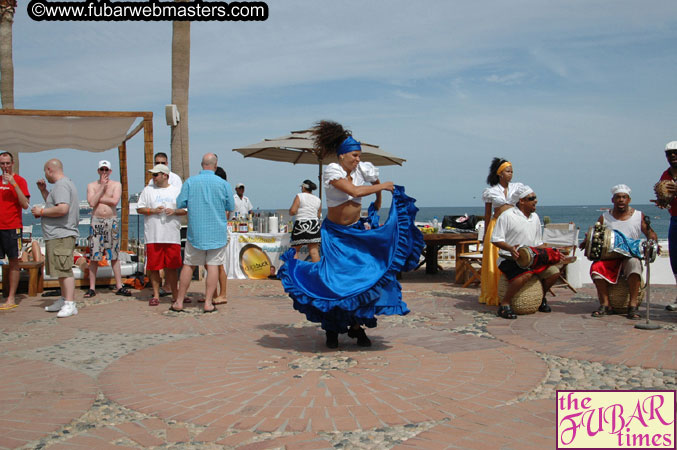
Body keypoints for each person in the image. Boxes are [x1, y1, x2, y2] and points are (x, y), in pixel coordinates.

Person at [277, 121, 424, 349]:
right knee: (335, 282)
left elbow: (372, 183)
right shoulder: (333, 170)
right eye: (354, 155)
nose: (357, 159)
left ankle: (357, 327)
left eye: (359, 155)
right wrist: (382, 187)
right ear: (343, 155)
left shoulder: (362, 168)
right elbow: (355, 191)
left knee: (363, 279)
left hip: (355, 232)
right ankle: (332, 330)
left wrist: (376, 204)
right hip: (335, 235)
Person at [170, 153, 234, 313]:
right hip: (217, 232)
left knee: (189, 265)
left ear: (201, 164)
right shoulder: (223, 184)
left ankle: (178, 301)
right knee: (213, 266)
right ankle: (208, 303)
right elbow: (230, 206)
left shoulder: (190, 182)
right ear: (215, 165)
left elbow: (180, 203)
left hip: (195, 232)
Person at [491, 185, 567, 319]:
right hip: (510, 259)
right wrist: (510, 248)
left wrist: (553, 251)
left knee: (554, 272)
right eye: (531, 198)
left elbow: (538, 244)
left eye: (535, 198)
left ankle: (541, 298)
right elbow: (495, 239)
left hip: (533, 259)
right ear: (521, 201)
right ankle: (505, 304)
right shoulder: (507, 216)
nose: (535, 201)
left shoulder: (535, 218)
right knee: (525, 275)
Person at [585, 185, 657, 320]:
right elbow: (595, 234)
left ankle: (633, 305)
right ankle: (605, 305)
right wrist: (586, 241)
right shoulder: (605, 217)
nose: (621, 200)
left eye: (624, 197)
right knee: (596, 268)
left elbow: (650, 234)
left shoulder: (638, 215)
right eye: (618, 197)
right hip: (610, 257)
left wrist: (653, 243)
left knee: (634, 265)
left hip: (630, 255)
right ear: (613, 200)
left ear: (629, 200)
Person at [31, 159, 80, 318]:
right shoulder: (62, 186)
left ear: (49, 170)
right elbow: (56, 204)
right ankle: (64, 298)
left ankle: (70, 303)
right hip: (57, 235)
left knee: (64, 270)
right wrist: (44, 191)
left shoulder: (61, 185)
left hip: (61, 234)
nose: (45, 175)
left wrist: (41, 212)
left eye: (45, 172)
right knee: (60, 269)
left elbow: (62, 208)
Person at [136, 164, 186, 306]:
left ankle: (175, 295)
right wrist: (152, 210)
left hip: (171, 235)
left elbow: (186, 209)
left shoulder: (176, 191)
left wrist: (174, 211)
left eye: (156, 174)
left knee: (172, 267)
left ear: (165, 175)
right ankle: (156, 295)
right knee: (154, 267)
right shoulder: (148, 190)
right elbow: (139, 208)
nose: (154, 177)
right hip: (153, 235)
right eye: (153, 175)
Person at [479, 158, 524, 306]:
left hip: (511, 227)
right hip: (495, 224)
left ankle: (513, 293)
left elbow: (521, 207)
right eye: (507, 171)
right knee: (494, 259)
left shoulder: (517, 188)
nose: (511, 174)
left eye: (512, 171)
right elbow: (487, 214)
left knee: (512, 257)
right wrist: (486, 233)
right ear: (500, 174)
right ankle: (493, 293)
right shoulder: (491, 191)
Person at [85, 161, 131, 298]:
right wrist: (102, 189)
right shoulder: (91, 185)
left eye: (106, 169)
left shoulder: (116, 185)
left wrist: (99, 197)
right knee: (94, 256)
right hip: (96, 221)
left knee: (114, 255)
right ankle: (92, 287)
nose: (104, 172)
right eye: (102, 169)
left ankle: (119, 286)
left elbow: (115, 201)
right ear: (98, 171)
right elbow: (91, 203)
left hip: (111, 221)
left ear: (110, 171)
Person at [0, 152, 30, 310]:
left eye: (7, 163)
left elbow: (25, 204)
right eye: (2, 164)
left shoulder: (20, 181)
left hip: (12, 226)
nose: (4, 167)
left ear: (12, 164)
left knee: (13, 262)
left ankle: (11, 297)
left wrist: (13, 184)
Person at [656, 141, 677, 311]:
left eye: (675, 152)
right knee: (675, 260)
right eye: (669, 153)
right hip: (675, 219)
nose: (673, 156)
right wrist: (663, 203)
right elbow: (668, 199)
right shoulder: (666, 174)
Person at [288, 179, 322, 262]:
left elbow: (293, 211)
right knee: (314, 251)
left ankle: (294, 272)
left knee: (295, 250)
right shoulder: (318, 199)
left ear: (303, 187)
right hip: (314, 225)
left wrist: (291, 212)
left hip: (301, 225)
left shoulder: (299, 196)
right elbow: (318, 215)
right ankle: (317, 272)